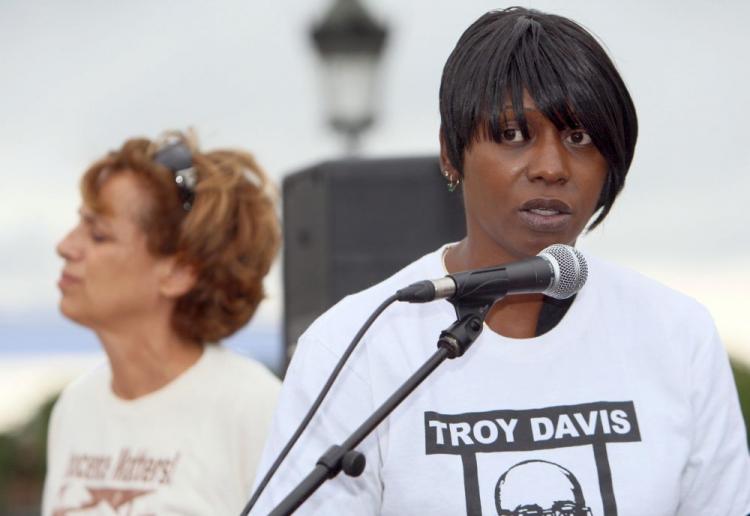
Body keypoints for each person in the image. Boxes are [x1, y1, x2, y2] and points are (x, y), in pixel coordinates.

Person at [252, 7, 750, 516]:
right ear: (451, 152)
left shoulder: (677, 335)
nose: (552, 168)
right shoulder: (356, 346)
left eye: (579, 138)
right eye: (514, 135)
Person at [43, 131, 282, 515]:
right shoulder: (76, 406)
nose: (66, 246)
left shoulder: (255, 409)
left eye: (98, 234)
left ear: (179, 273)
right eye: (79, 224)